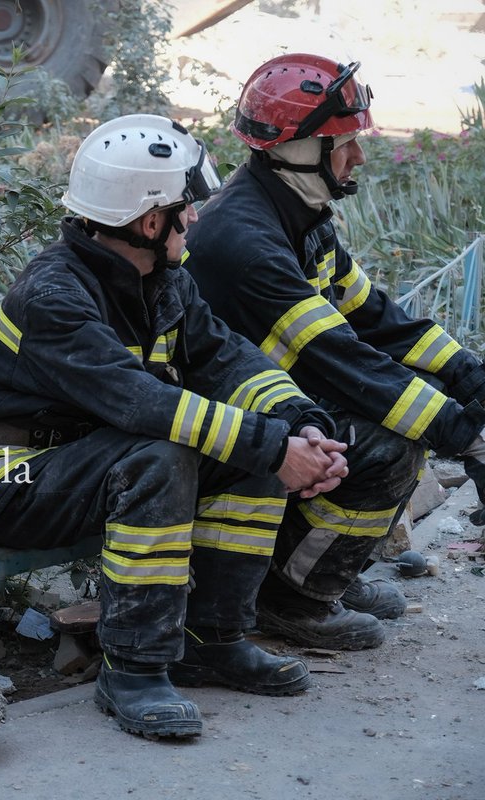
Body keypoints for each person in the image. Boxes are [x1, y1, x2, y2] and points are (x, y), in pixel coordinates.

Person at [0, 114, 349, 740]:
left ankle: (211, 641)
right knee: (166, 451)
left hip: (96, 462)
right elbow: (143, 404)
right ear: (148, 221)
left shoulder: (163, 281)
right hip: (14, 481)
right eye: (185, 207)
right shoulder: (55, 294)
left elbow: (228, 360)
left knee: (239, 450)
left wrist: (297, 425)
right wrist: (272, 448)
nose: (195, 217)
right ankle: (134, 669)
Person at [184, 54, 485, 652]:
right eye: (343, 143)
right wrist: (462, 432)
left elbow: (376, 320)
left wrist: (470, 377)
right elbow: (340, 357)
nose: (359, 158)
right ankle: (296, 597)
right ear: (295, 148)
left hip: (274, 399)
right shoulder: (246, 239)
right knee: (390, 444)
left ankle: (320, 573)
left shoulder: (302, 217)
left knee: (400, 418)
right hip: (219, 416)